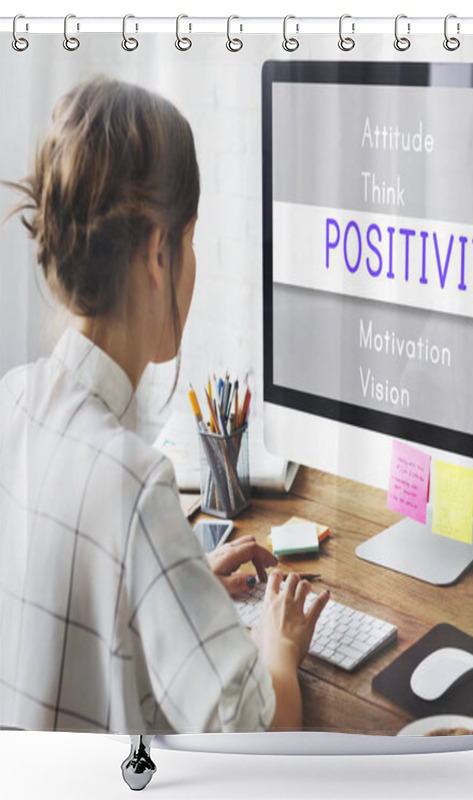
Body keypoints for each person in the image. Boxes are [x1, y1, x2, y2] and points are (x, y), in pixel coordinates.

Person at [0, 77, 328, 734]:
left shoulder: (14, 400)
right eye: (191, 240)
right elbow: (256, 736)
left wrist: (176, 577)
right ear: (158, 251)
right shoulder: (134, 483)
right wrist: (281, 645)